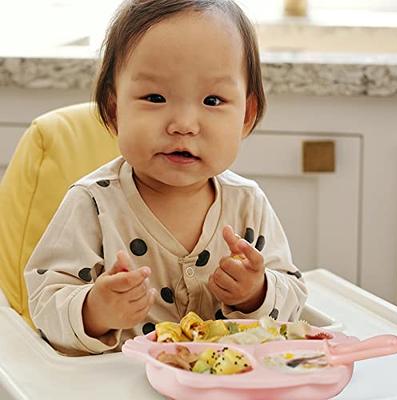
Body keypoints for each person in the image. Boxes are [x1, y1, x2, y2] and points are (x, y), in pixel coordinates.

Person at [24, 0, 307, 355]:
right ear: (115, 110)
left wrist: (257, 292)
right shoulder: (93, 203)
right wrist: (95, 309)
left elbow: (294, 299)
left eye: (213, 100)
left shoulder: (247, 203)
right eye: (155, 97)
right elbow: (43, 302)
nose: (184, 125)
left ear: (246, 116)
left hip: (226, 385)